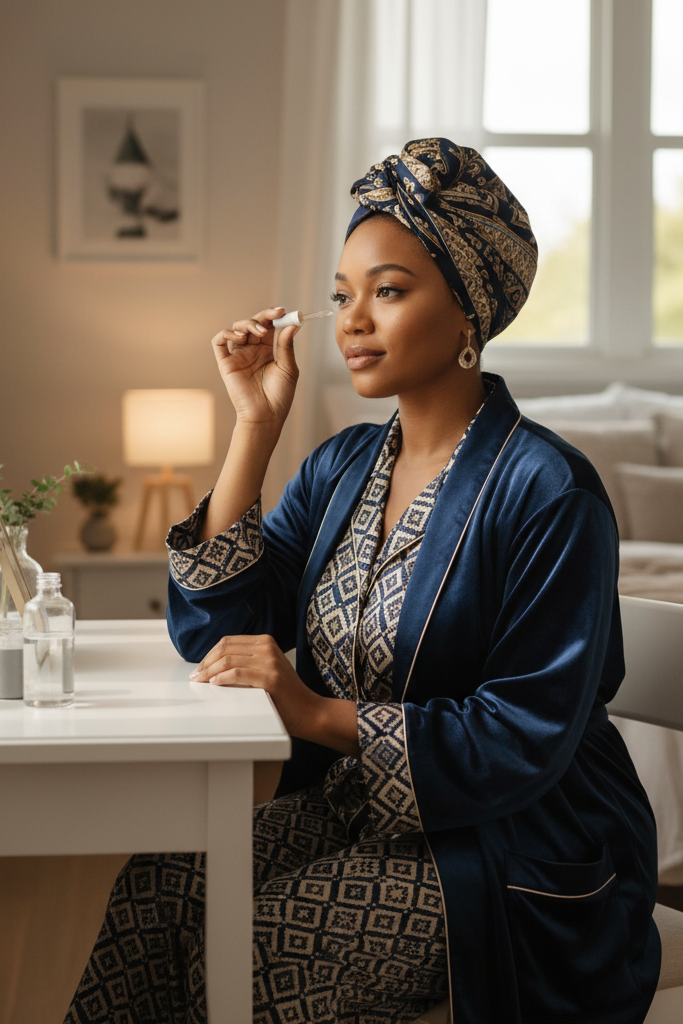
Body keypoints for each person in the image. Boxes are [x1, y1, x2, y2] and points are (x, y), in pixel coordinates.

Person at [66, 138, 660, 1024]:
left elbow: (520, 735)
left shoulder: (549, 491)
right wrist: (255, 427)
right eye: (342, 295)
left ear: (467, 310)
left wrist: (310, 712)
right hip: (361, 810)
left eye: (387, 291)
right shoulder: (342, 467)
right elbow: (215, 633)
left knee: (252, 955)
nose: (351, 320)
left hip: (515, 846)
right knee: (158, 889)